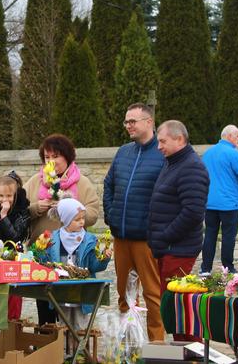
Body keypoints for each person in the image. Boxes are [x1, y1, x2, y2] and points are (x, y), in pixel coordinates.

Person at [103, 102, 166, 341]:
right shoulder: (123, 151)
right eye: (126, 121)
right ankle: (128, 342)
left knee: (152, 294)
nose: (128, 125)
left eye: (133, 121)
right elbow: (109, 184)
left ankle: (156, 344)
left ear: (149, 122)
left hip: (146, 239)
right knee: (123, 294)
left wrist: (155, 225)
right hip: (121, 236)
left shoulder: (162, 154)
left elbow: (168, 194)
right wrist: (111, 214)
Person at [23, 133, 100, 326]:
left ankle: (71, 346)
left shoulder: (81, 182)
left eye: (55, 156)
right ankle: (46, 343)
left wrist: (72, 209)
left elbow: (93, 212)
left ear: (67, 157)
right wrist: (36, 207)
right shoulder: (35, 181)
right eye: (47, 157)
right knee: (44, 302)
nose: (51, 161)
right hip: (42, 253)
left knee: (71, 307)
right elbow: (20, 211)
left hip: (72, 255)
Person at [148, 120, 209, 342]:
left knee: (179, 310)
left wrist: (165, 237)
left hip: (178, 250)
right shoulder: (172, 163)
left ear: (179, 139)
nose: (159, 146)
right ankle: (183, 351)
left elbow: (193, 212)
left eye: (163, 141)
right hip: (168, 249)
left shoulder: (191, 167)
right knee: (174, 310)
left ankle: (192, 353)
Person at [44, 198, 111, 326]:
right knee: (64, 326)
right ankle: (64, 346)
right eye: (77, 219)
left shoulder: (89, 240)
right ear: (66, 220)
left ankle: (81, 346)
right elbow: (46, 263)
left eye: (83, 218)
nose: (81, 222)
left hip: (82, 293)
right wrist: (39, 251)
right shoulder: (53, 240)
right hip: (62, 292)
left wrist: (103, 258)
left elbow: (94, 266)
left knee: (81, 326)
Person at [199, 125, 238, 276]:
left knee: (210, 234)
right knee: (228, 236)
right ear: (229, 136)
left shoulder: (208, 153)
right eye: (237, 136)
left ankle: (205, 268)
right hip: (229, 203)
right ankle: (228, 267)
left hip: (210, 202)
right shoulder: (232, 153)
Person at [0, 171, 30, 331]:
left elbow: (17, 236)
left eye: (9, 196)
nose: (4, 200)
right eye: (1, 196)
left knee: (13, 299)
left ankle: (12, 333)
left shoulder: (22, 211)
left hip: (14, 262)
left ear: (16, 195)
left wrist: (3, 218)